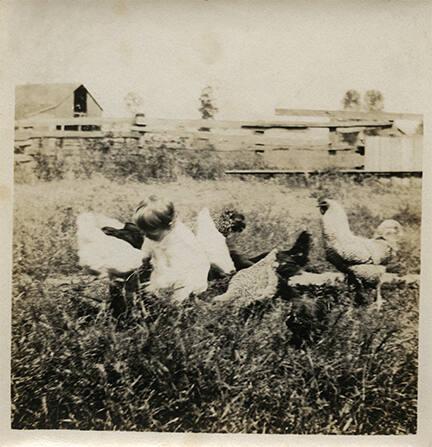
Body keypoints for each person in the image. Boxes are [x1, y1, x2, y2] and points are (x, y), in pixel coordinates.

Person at [133, 195, 210, 302]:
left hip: (187, 275)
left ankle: (181, 306)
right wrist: (144, 257)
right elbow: (147, 247)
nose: (145, 234)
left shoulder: (179, 241)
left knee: (175, 300)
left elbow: (175, 271)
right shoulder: (155, 234)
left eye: (150, 231)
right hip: (167, 269)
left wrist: (155, 286)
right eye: (143, 230)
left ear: (169, 224)